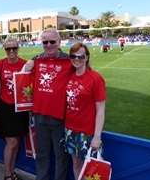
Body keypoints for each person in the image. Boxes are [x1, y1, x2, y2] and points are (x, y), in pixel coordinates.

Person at [23, 28, 72, 180]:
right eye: (45, 42)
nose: (49, 45)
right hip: (40, 116)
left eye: (52, 41)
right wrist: (25, 68)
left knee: (61, 157)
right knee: (41, 154)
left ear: (59, 42)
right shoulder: (35, 60)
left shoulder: (69, 61)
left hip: (60, 118)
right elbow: (21, 82)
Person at [63, 43, 106, 180]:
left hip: (87, 132)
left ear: (86, 57)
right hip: (70, 129)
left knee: (90, 168)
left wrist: (97, 137)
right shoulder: (69, 75)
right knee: (76, 163)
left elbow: (101, 110)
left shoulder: (95, 78)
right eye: (73, 56)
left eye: (80, 55)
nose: (77, 59)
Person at [0, 37, 29, 180]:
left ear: (18, 48)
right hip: (6, 107)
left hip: (21, 108)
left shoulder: (25, 64)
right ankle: (8, 174)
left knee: (17, 141)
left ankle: (11, 171)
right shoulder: (0, 63)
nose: (12, 51)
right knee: (11, 142)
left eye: (14, 48)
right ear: (5, 50)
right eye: (8, 48)